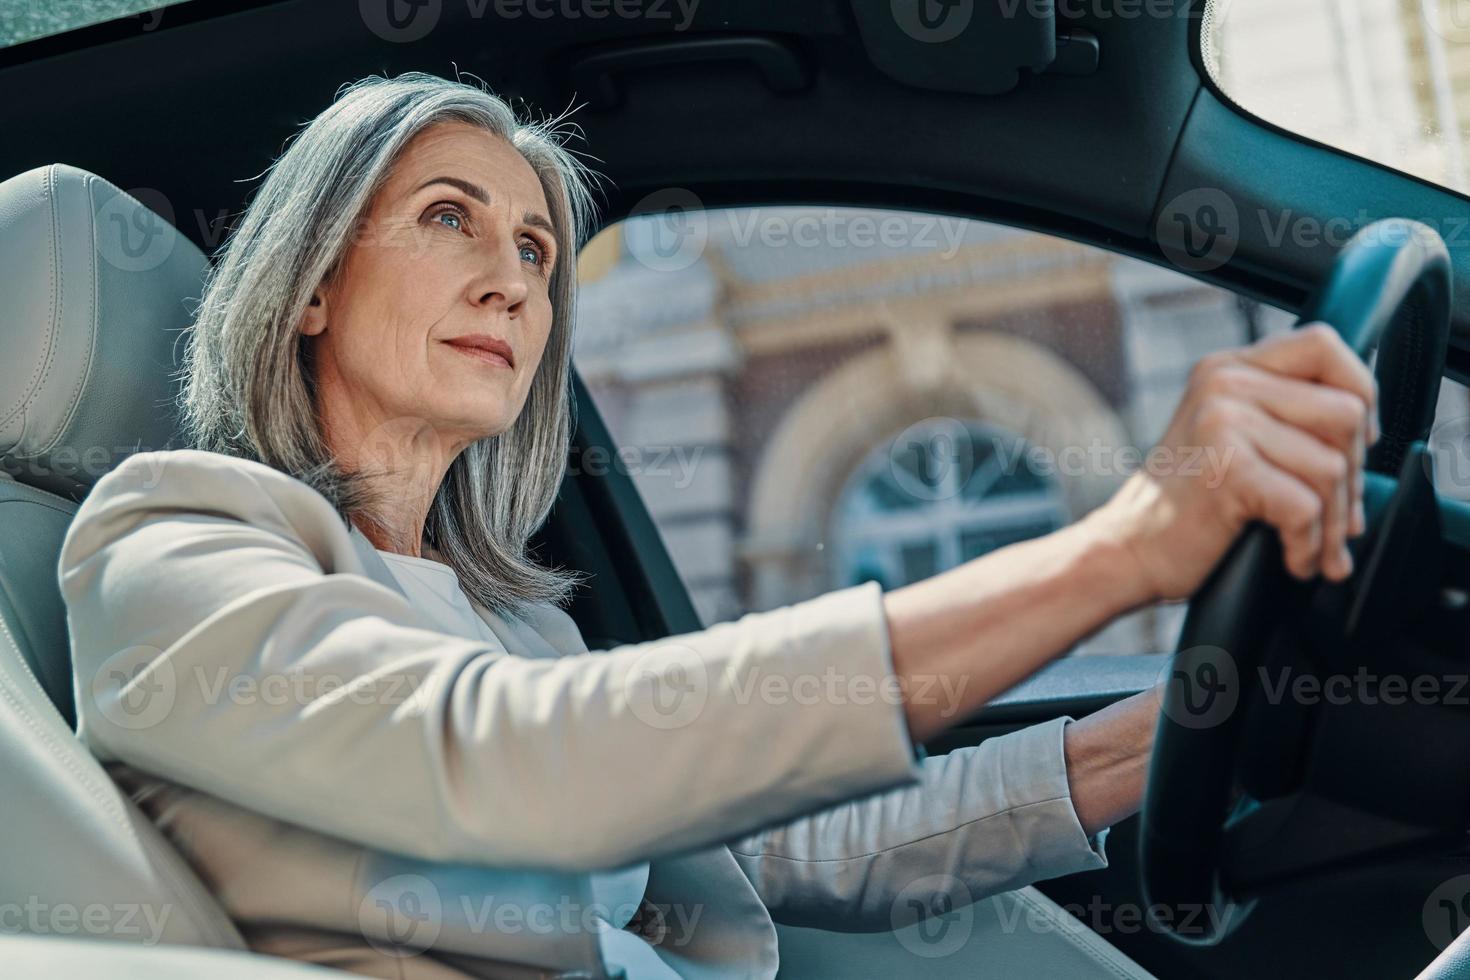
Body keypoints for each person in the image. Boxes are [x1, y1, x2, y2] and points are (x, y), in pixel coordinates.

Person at [60, 71, 1378, 979]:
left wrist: (1158, 736)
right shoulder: (174, 539)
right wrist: (1121, 551)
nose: (511, 280)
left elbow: (780, 849)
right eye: (446, 218)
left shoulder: (514, 622)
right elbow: (517, 765)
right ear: (309, 286)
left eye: (533, 249)